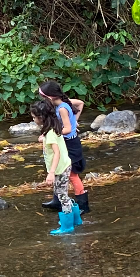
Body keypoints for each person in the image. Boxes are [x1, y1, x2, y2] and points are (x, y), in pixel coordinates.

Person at [30, 98, 81, 235]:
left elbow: (56, 152)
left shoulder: (51, 132)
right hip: (64, 165)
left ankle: (67, 226)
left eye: (34, 117)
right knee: (62, 194)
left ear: (41, 118)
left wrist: (51, 172)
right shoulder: (54, 126)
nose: (33, 120)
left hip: (60, 169)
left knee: (62, 196)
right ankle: (76, 219)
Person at [37, 81, 90, 213]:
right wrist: (75, 120)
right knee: (59, 171)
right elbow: (80, 103)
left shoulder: (61, 108)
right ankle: (57, 201)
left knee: (72, 175)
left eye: (43, 97)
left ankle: (83, 205)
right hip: (64, 142)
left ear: (50, 97)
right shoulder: (62, 102)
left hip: (70, 144)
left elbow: (67, 128)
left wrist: (52, 133)